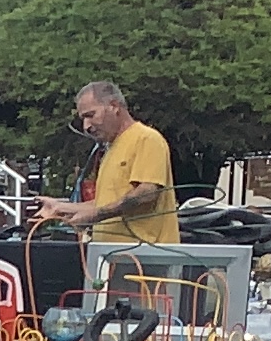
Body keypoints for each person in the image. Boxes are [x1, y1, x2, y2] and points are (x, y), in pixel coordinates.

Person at [39, 82, 178, 254]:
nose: (86, 126)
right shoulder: (111, 149)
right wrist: (61, 208)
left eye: (91, 115)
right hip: (114, 257)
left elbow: (146, 193)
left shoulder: (146, 138)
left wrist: (97, 216)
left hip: (147, 259)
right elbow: (105, 203)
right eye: (83, 119)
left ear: (114, 106)